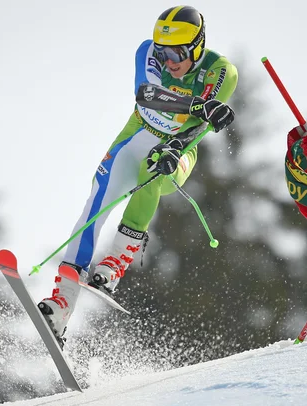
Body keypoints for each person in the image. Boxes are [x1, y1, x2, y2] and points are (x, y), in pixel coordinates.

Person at [38, 5, 238, 344]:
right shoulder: (148, 52)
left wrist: (176, 146)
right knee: (95, 203)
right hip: (135, 136)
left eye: (177, 52)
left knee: (153, 169)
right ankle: (61, 304)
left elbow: (201, 127)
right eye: (163, 51)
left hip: (179, 149)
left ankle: (116, 261)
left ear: (197, 47)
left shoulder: (221, 72)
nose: (168, 61)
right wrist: (195, 104)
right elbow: (147, 94)